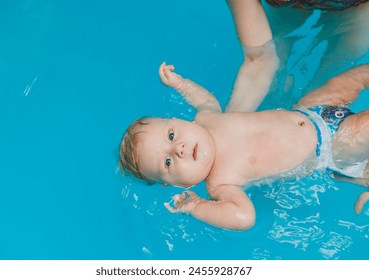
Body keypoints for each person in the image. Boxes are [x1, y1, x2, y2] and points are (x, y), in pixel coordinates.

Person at [119, 62, 369, 230]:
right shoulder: (221, 183)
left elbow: (206, 100)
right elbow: (244, 217)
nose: (179, 149)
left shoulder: (205, 119)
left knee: (358, 75)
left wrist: (181, 84)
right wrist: (197, 206)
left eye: (171, 135)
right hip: (331, 148)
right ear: (175, 184)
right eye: (168, 162)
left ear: (177, 120)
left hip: (312, 109)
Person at [226, 0, 369, 111]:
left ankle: (312, 103)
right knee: (276, 47)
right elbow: (259, 57)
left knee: (335, 70)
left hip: (357, 6)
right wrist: (227, 126)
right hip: (291, 6)